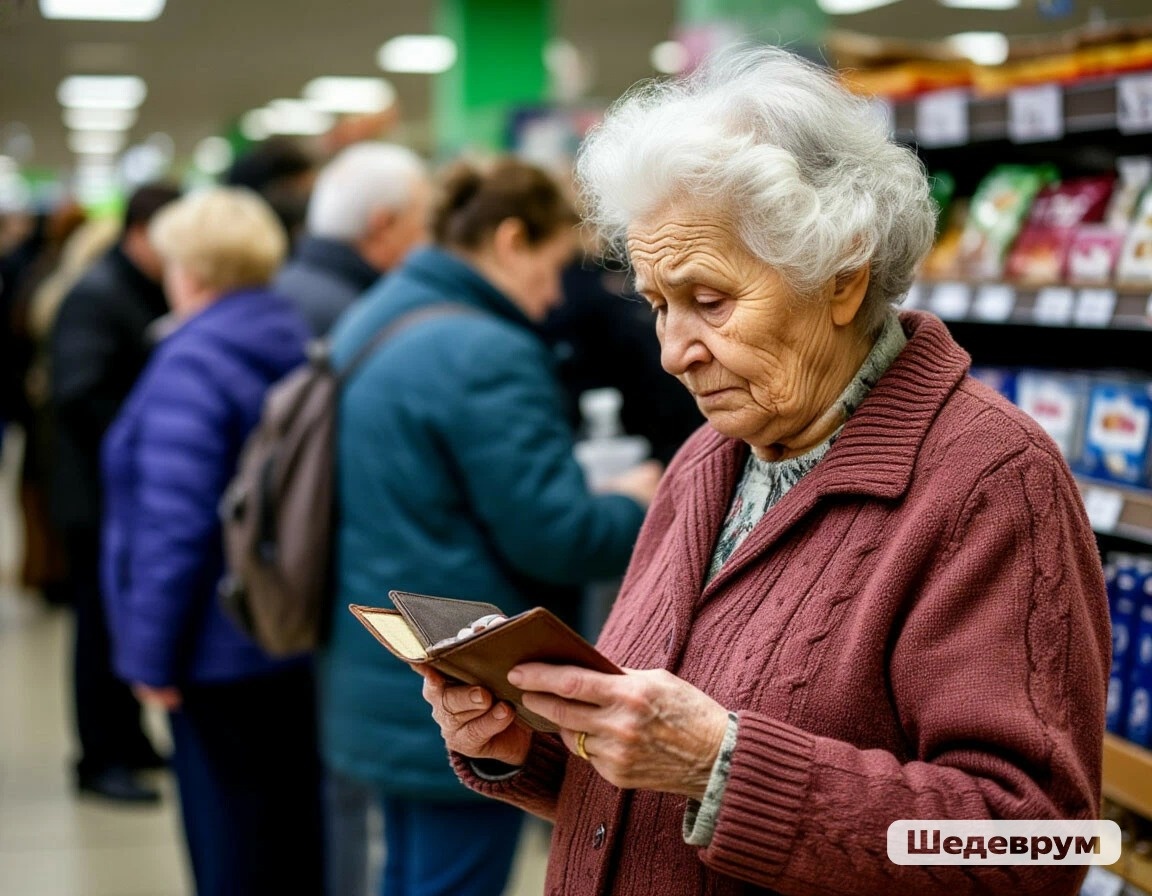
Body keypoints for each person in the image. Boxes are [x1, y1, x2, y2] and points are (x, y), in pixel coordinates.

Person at [421, 48, 1110, 896]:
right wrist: (531, 742)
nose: (674, 353)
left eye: (709, 300)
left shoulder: (989, 482)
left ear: (842, 276)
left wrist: (723, 765)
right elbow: (648, 777)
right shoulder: (709, 457)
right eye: (657, 304)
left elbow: (1029, 847)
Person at [318, 157, 662, 896]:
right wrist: (642, 501)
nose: (550, 298)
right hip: (470, 675)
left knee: (408, 870)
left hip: (383, 656)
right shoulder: (487, 352)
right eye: (551, 266)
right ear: (511, 239)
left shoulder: (377, 312)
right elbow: (556, 534)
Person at [100, 187, 323, 896]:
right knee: (289, 832)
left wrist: (149, 657)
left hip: (212, 643)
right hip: (286, 626)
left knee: (228, 840)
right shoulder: (292, 334)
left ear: (189, 271)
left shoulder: (190, 361)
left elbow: (175, 526)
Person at [48, 183, 180, 803]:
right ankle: (99, 758)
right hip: (94, 498)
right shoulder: (97, 295)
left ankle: (128, 742)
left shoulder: (135, 287)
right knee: (100, 630)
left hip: (119, 494)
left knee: (122, 622)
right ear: (141, 232)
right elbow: (78, 392)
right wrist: (151, 440)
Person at [274, 142, 432, 337]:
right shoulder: (364, 320)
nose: (430, 241)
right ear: (384, 226)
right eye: (425, 225)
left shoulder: (275, 286)